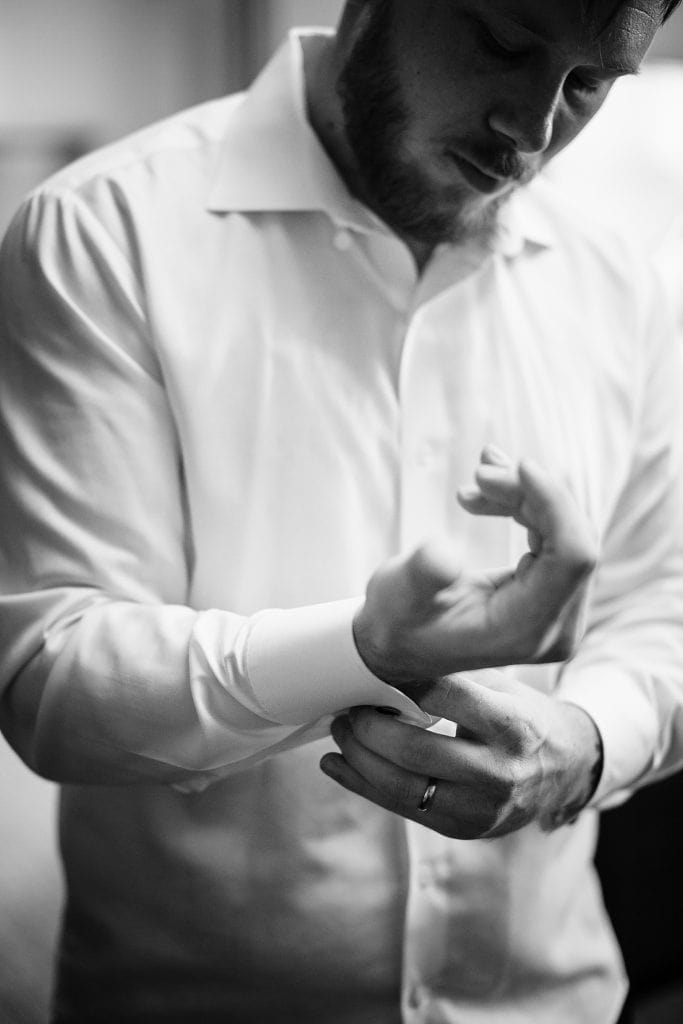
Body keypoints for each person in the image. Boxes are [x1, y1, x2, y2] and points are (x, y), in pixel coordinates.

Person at [1, 1, 683, 1022]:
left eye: (587, 84)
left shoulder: (627, 280)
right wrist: (360, 648)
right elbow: (51, 670)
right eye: (503, 44)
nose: (532, 129)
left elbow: (663, 606)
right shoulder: (100, 233)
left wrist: (582, 743)